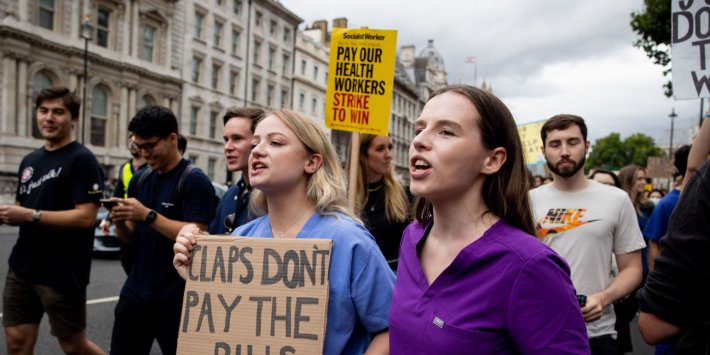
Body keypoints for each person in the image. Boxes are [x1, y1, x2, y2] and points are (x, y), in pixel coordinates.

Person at [174, 109, 394, 354]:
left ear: (311, 162)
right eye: (255, 143)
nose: (256, 150)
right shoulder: (242, 237)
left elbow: (391, 328)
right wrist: (199, 276)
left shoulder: (349, 241)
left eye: (276, 142)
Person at [389, 85, 588, 353]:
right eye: (419, 129)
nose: (419, 141)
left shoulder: (530, 266)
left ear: (492, 160)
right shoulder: (412, 237)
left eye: (446, 131)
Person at [0, 86, 105, 354]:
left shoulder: (82, 160)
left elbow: (86, 217)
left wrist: (30, 215)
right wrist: (9, 215)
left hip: (62, 272)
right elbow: (24, 208)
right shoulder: (30, 160)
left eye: (58, 112)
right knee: (16, 343)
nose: (49, 118)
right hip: (22, 267)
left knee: (73, 346)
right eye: (43, 110)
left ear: (74, 119)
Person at [529, 114, 645, 354]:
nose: (564, 151)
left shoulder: (617, 199)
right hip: (538, 330)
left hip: (598, 333)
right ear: (543, 150)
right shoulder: (525, 202)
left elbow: (633, 269)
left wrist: (602, 298)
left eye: (572, 142)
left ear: (586, 146)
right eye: (555, 144)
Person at [107, 105, 215, 354]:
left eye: (150, 145)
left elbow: (197, 236)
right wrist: (121, 220)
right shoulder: (140, 178)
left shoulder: (193, 179)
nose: (144, 153)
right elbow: (130, 237)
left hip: (176, 300)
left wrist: (147, 214)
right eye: (138, 147)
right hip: (135, 292)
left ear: (172, 138)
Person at [637, 161, 710, 353]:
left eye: (643, 178)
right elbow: (654, 243)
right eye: (638, 179)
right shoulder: (668, 203)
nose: (642, 182)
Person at [351, 134, 410, 270]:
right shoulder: (345, 197)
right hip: (360, 281)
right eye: (380, 149)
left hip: (396, 279)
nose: (388, 155)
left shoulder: (405, 193)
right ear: (362, 154)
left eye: (390, 147)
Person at [208, 107, 265, 235]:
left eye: (237, 138)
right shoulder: (229, 195)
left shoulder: (272, 197)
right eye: (226, 139)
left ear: (258, 142)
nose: (228, 147)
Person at [111, 134, 147, 274]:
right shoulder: (125, 167)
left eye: (135, 141)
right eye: (129, 140)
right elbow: (118, 193)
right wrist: (108, 219)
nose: (132, 143)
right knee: (126, 259)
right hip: (125, 219)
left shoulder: (152, 167)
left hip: (142, 219)